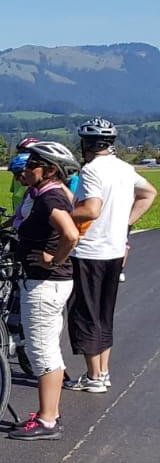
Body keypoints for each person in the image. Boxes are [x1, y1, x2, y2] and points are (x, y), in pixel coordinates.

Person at [66, 118, 156, 393]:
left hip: (90, 250)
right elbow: (149, 193)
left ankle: (93, 377)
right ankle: (102, 372)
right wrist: (126, 224)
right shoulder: (124, 168)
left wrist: (60, 216)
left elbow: (91, 209)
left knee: (85, 313)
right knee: (104, 313)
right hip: (115, 250)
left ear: (86, 143)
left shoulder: (92, 170)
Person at [8, 141, 82, 441]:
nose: (26, 168)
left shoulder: (50, 199)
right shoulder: (47, 194)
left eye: (32, 164)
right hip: (48, 283)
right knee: (47, 347)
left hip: (44, 283)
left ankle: (47, 421)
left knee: (42, 352)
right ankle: (48, 412)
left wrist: (54, 259)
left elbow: (71, 234)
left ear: (50, 170)